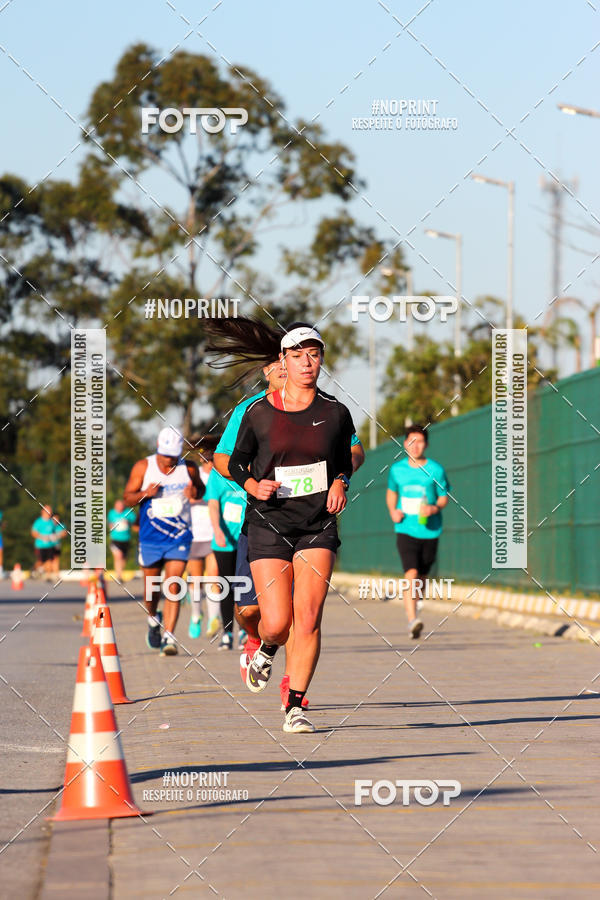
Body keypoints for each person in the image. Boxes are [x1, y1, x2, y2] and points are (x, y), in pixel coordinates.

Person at [227, 320, 355, 733]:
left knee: (309, 616)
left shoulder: (335, 413)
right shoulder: (259, 412)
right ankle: (266, 647)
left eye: (313, 355)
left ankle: (295, 706)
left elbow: (346, 459)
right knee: (278, 622)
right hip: (269, 521)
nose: (306, 363)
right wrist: (252, 483)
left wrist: (341, 482)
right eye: (297, 355)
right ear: (283, 361)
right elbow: (235, 462)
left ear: (321, 360)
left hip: (317, 524)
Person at [123, 425, 202, 656]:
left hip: (179, 535)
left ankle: (170, 636)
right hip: (150, 537)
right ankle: (152, 617)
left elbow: (200, 490)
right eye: (166, 455)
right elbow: (127, 497)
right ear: (158, 448)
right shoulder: (143, 467)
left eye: (174, 455)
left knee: (174, 583)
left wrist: (193, 493)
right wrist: (143, 494)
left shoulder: (188, 467)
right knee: (151, 590)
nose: (170, 460)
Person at [386, 424, 450, 638]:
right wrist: (393, 511)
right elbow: (391, 493)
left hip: (430, 529)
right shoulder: (397, 470)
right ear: (405, 444)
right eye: (411, 441)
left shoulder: (436, 469)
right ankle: (412, 619)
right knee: (411, 573)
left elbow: (443, 496)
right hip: (405, 528)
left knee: (422, 575)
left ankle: (416, 600)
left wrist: (434, 507)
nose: (415, 446)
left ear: (426, 444)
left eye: (420, 441)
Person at [204, 464, 248, 650]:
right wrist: (217, 530)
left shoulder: (252, 468)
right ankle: (228, 633)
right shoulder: (217, 475)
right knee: (226, 585)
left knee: (245, 585)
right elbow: (213, 503)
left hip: (247, 537)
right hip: (223, 540)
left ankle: (245, 630)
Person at [187, 435, 219, 639]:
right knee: (195, 580)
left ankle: (214, 619)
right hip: (193, 534)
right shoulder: (194, 476)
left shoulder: (220, 477)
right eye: (206, 460)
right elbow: (187, 499)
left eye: (211, 460)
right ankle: (196, 615)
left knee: (214, 577)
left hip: (212, 535)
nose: (209, 464)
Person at [107, 499, 137, 581]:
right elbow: (109, 523)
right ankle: (119, 576)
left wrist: (128, 523)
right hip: (115, 539)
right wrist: (112, 526)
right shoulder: (111, 513)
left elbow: (135, 523)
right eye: (117, 506)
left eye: (121, 506)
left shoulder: (128, 512)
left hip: (126, 539)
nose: (119, 508)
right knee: (118, 556)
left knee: (123, 558)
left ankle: (120, 572)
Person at [31, 505, 61, 579]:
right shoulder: (38, 521)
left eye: (50, 511)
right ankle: (33, 570)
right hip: (40, 545)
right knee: (40, 561)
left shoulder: (52, 522)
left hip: (50, 545)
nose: (49, 513)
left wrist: (55, 537)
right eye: (47, 511)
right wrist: (42, 537)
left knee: (49, 560)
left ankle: (48, 576)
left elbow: (56, 531)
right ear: (43, 512)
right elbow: (33, 533)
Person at [49, 514, 67, 578]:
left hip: (56, 545)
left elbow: (65, 533)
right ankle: (48, 574)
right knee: (48, 560)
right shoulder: (49, 525)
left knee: (56, 559)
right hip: (48, 545)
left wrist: (58, 535)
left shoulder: (61, 526)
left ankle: (56, 574)